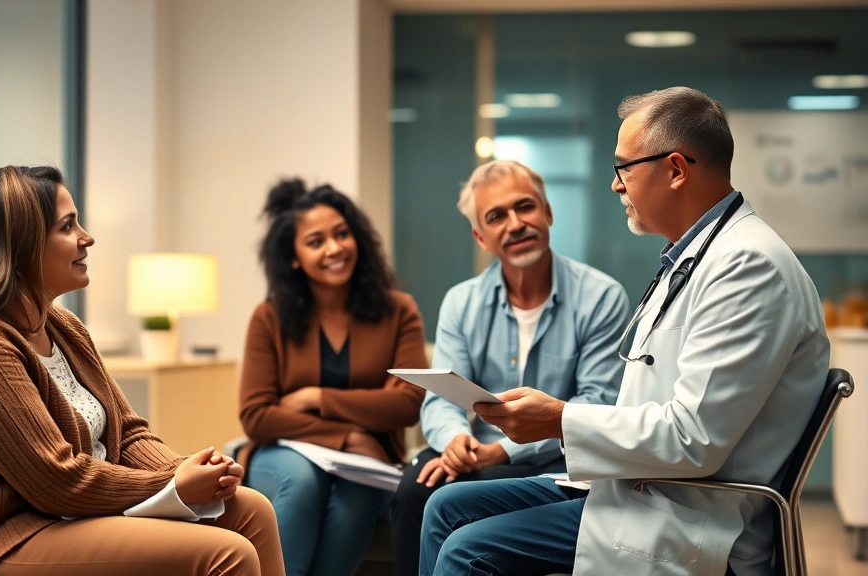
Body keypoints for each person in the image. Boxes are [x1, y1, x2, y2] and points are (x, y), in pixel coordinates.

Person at [420, 87, 831, 576]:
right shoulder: (694, 257)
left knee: (469, 549)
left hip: (690, 515)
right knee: (444, 507)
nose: (616, 185)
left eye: (624, 168)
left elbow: (693, 439)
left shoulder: (747, 265)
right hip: (640, 486)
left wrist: (559, 419)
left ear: (676, 169)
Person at [0, 166, 285, 576]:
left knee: (250, 510)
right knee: (225, 554)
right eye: (68, 227)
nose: (87, 238)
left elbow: (129, 433)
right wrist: (170, 486)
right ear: (17, 249)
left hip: (64, 519)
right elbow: (53, 479)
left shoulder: (62, 326)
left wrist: (190, 470)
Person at [390, 160, 629, 576]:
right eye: (496, 216)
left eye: (525, 207)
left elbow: (596, 403)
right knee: (416, 489)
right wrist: (455, 441)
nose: (515, 224)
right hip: (474, 455)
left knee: (472, 498)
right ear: (481, 236)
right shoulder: (461, 302)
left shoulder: (601, 297)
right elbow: (439, 400)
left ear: (548, 212)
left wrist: (502, 449)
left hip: (561, 459)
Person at [238, 179, 428, 576]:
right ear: (293, 257)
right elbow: (257, 415)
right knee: (302, 483)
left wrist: (315, 397)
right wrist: (348, 435)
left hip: (369, 463)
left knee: (357, 493)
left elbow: (407, 404)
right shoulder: (268, 317)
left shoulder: (399, 310)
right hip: (283, 452)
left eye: (342, 234)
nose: (334, 248)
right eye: (316, 241)